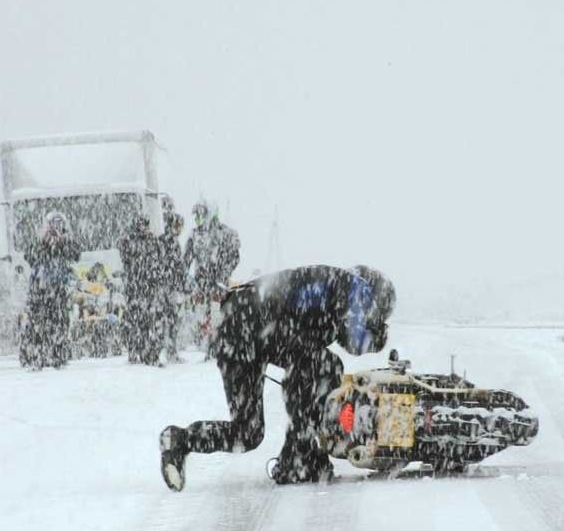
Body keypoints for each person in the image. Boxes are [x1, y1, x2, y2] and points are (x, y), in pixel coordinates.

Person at [158, 265, 395, 491]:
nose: (370, 317)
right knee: (323, 366)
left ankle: (180, 440)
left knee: (247, 433)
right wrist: (379, 337)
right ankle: (299, 455)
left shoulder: (329, 290)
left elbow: (341, 336)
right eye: (376, 314)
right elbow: (356, 340)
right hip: (256, 325)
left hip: (236, 333)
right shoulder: (356, 285)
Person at [22, 211, 81, 368]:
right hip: (39, 291)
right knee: (36, 324)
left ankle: (58, 354)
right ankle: (36, 355)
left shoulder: (66, 242)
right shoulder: (39, 243)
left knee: (60, 323)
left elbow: (76, 255)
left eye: (59, 225)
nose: (55, 229)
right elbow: (29, 256)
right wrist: (43, 242)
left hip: (59, 291)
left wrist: (62, 242)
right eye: (52, 225)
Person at [182, 201, 241, 357]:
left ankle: (218, 343)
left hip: (219, 283)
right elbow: (186, 259)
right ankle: (206, 341)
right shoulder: (194, 234)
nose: (197, 219)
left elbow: (235, 257)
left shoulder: (225, 233)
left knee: (218, 313)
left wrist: (223, 275)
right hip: (201, 282)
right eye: (196, 216)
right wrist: (185, 278)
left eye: (200, 215)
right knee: (202, 314)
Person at [117, 216, 163, 365]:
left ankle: (147, 353)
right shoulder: (129, 240)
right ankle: (135, 351)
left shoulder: (151, 241)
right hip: (136, 287)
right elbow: (126, 260)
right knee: (135, 321)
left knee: (147, 322)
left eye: (146, 225)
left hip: (146, 287)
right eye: (142, 225)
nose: (145, 228)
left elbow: (158, 261)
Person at [157, 212, 188, 363]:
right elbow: (175, 267)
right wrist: (179, 284)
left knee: (169, 319)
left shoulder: (165, 241)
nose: (181, 229)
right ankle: (170, 350)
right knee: (171, 320)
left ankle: (169, 350)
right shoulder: (169, 243)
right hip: (169, 287)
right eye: (179, 226)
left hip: (167, 286)